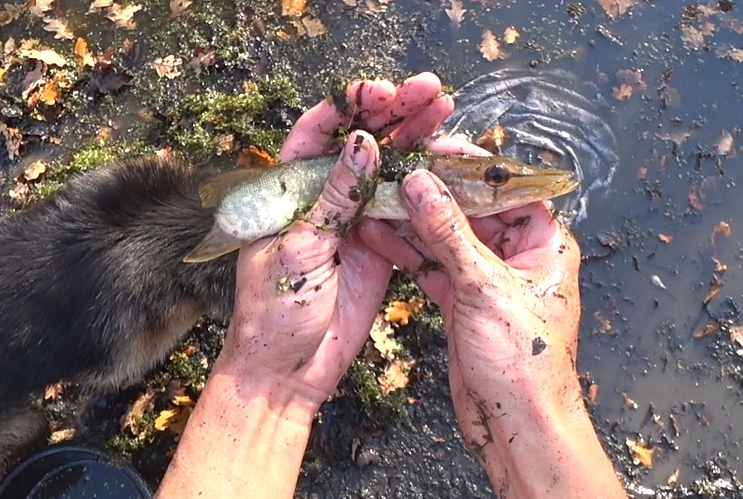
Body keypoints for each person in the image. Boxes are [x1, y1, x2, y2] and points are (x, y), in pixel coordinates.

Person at [156, 73, 627, 498]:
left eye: (496, 177)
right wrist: (530, 412)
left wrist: (268, 379)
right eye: (497, 178)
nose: (504, 183)